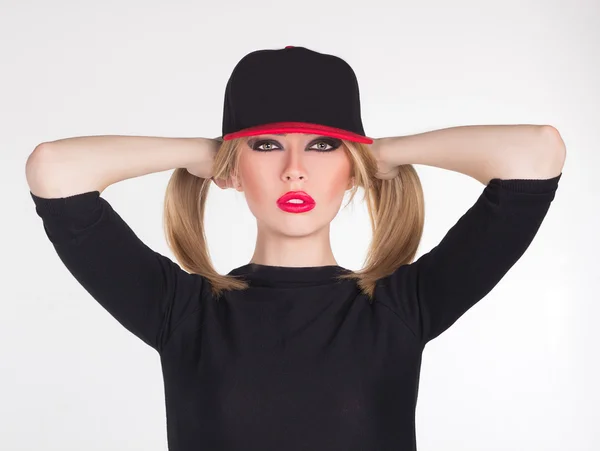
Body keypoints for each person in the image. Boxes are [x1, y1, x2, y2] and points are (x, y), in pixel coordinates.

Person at [26, 46, 565, 451]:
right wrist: (209, 152)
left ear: (352, 169)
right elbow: (53, 169)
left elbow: (536, 153)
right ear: (233, 170)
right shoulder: (183, 312)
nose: (295, 170)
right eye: (266, 146)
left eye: (323, 145)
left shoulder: (401, 307)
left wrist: (385, 154)